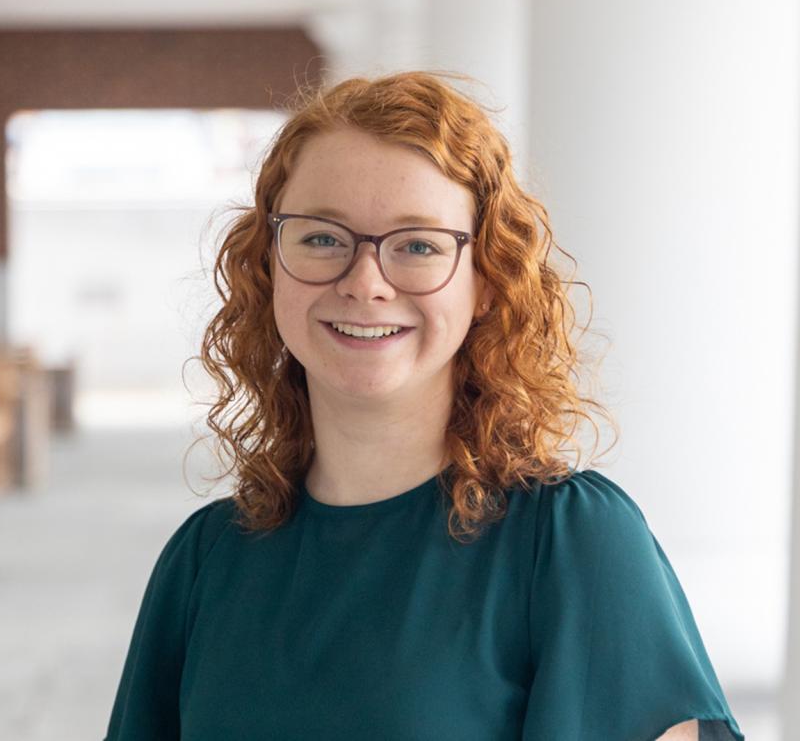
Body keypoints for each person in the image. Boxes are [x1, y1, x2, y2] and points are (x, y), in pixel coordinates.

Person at [103, 71, 745, 741]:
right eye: (322, 237)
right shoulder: (206, 562)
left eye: (418, 246)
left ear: (488, 281)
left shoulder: (566, 545)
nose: (365, 283)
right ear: (268, 268)